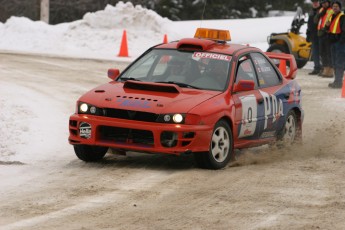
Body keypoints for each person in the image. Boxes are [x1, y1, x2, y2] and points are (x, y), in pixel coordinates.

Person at [327, 1, 345, 88]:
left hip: (339, 43)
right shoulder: (332, 16)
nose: (334, 8)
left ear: (340, 8)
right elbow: (330, 29)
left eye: (336, 6)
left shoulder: (342, 16)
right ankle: (336, 81)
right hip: (333, 42)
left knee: (339, 63)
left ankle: (339, 82)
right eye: (333, 6)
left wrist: (341, 41)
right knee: (334, 62)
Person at [314, 0, 334, 78]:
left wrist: (325, 30)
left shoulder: (331, 10)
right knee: (322, 53)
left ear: (329, 3)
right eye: (322, 3)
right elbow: (315, 21)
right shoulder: (321, 10)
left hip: (327, 34)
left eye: (325, 2)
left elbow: (331, 22)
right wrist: (319, 15)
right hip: (321, 34)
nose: (324, 4)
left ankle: (330, 71)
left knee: (329, 53)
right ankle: (325, 70)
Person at [306, 0, 322, 75]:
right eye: (314, 2)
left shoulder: (322, 10)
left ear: (319, 3)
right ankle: (317, 68)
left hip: (321, 35)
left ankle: (323, 68)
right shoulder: (311, 11)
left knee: (322, 53)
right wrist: (308, 34)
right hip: (313, 35)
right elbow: (309, 24)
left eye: (316, 2)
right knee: (315, 53)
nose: (315, 4)